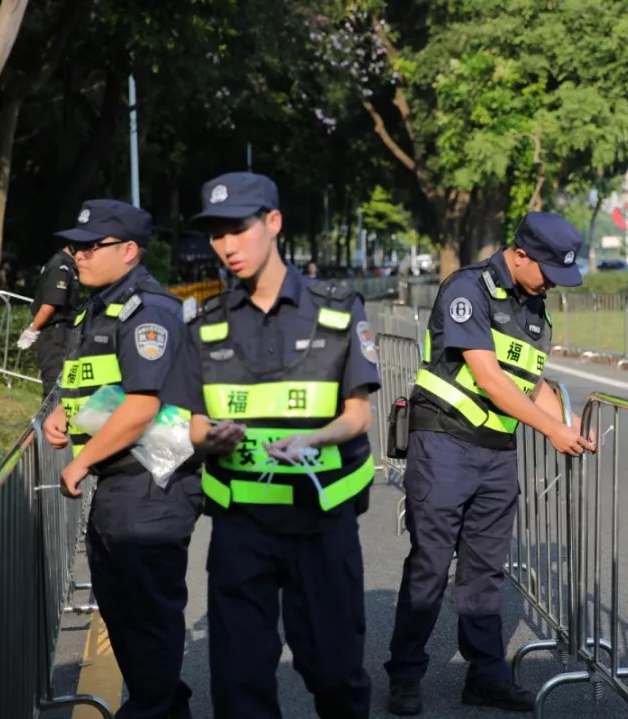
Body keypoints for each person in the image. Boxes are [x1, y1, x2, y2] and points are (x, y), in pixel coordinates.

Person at [184, 172, 378, 719]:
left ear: (273, 223)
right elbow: (192, 425)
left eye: (238, 229)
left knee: (335, 674)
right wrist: (210, 437)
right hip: (239, 528)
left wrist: (313, 436)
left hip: (322, 523)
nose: (227, 245)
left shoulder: (338, 310)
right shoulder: (205, 324)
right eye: (217, 234)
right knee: (238, 682)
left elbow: (358, 415)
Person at [384, 211, 595, 716]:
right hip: (444, 445)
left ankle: (486, 677)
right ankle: (405, 675)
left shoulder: (534, 306)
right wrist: (551, 430)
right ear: (520, 254)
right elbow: (491, 379)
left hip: (496, 454)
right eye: (548, 271)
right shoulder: (468, 289)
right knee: (431, 565)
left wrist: (571, 424)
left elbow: (529, 382)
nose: (552, 284)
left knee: (484, 572)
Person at [41, 199, 203, 719]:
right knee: (122, 606)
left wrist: (80, 462)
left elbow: (141, 405)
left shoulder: (147, 310)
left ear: (129, 250)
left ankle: (153, 708)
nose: (79, 255)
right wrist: (64, 413)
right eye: (76, 246)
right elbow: (103, 383)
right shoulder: (101, 306)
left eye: (92, 246)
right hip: (122, 483)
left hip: (151, 481)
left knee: (146, 612)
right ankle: (164, 704)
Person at [17, 244, 80, 397]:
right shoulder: (60, 266)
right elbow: (49, 306)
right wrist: (32, 330)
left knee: (58, 385)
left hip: (60, 333)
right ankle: (49, 413)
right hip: (55, 334)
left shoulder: (65, 266)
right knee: (54, 385)